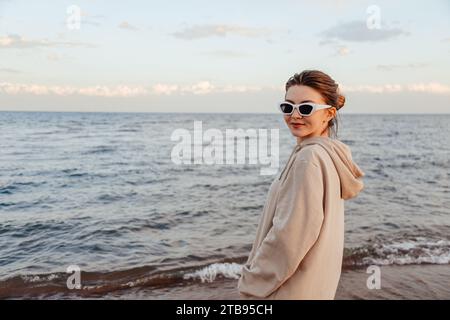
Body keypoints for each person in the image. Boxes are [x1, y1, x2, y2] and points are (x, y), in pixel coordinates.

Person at [237, 69, 365, 299]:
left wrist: (252, 282)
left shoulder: (310, 158)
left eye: (306, 108)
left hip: (288, 290)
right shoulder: (328, 156)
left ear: (329, 114)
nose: (295, 115)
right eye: (288, 107)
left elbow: (290, 236)